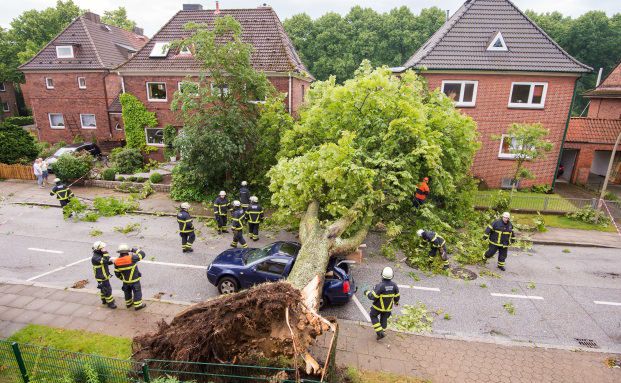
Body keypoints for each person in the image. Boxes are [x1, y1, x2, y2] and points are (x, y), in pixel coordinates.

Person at [364, 267, 400, 340]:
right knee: (384, 319)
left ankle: (380, 332)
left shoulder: (380, 286)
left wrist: (367, 292)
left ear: (382, 275)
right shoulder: (395, 285)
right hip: (387, 309)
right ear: (392, 276)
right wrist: (396, 302)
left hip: (378, 307)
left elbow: (373, 297)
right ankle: (382, 332)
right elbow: (397, 296)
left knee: (373, 316)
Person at [113, 244, 146, 310]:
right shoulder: (132, 258)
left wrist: (122, 279)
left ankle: (128, 304)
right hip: (134, 281)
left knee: (127, 292)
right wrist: (134, 250)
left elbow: (117, 273)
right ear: (127, 251)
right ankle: (138, 305)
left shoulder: (116, 261)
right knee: (137, 292)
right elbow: (142, 254)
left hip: (125, 281)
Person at [91, 241, 117, 309]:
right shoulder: (96, 257)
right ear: (99, 249)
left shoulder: (99, 255)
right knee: (107, 290)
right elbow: (105, 261)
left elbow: (106, 262)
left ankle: (104, 300)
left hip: (102, 276)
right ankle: (110, 303)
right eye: (103, 248)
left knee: (103, 289)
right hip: (102, 277)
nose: (104, 249)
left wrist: (112, 261)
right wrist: (105, 252)